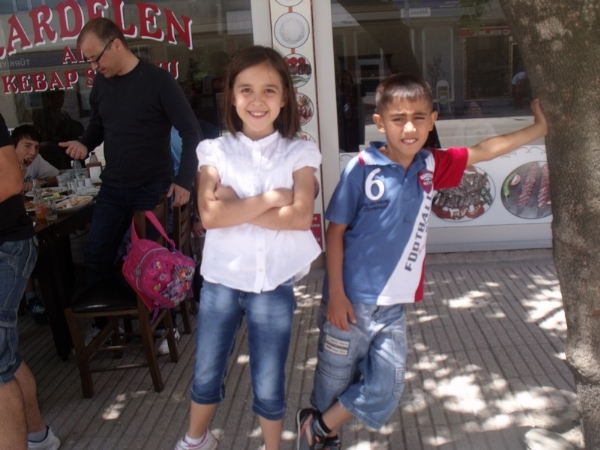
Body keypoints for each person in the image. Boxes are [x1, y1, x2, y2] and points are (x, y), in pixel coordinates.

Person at [296, 73, 548, 450]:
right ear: (380, 122)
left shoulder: (431, 164)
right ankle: (324, 435)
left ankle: (316, 427)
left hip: (393, 307)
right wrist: (336, 297)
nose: (409, 127)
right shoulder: (361, 168)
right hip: (350, 304)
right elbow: (334, 233)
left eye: (418, 117)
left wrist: (539, 128)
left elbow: (486, 149)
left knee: (387, 384)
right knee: (333, 382)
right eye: (398, 119)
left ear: (433, 120)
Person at [175, 45, 322, 450]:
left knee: (269, 378)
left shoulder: (299, 152)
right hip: (221, 281)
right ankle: (196, 439)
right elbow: (209, 216)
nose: (257, 101)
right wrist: (272, 198)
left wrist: (235, 205)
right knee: (207, 370)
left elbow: (300, 217)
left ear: (285, 97)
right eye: (246, 90)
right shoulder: (214, 151)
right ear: (231, 96)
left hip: (273, 283)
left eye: (269, 90)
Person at [58, 18, 201, 291]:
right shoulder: (101, 84)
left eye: (96, 58)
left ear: (116, 45)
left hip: (152, 187)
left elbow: (191, 132)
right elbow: (98, 125)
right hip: (113, 188)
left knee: (154, 262)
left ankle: (157, 314)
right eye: (89, 61)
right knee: (96, 254)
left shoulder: (159, 81)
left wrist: (184, 180)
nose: (94, 67)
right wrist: (85, 144)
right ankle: (108, 313)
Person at [0, 112, 60, 449]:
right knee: (5, 353)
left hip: (7, 245)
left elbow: (10, 182)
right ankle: (39, 436)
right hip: (11, 242)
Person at [12, 125, 59, 194]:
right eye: (27, 146)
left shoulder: (36, 159)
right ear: (13, 147)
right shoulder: (3, 162)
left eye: (36, 147)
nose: (33, 153)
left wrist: (42, 182)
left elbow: (59, 176)